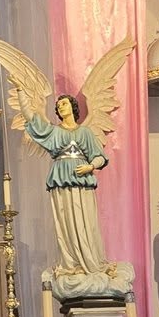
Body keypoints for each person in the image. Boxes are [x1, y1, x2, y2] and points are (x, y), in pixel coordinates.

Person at [26, 94, 110, 277]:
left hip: (82, 181)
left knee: (85, 221)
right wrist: (20, 93)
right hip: (61, 180)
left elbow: (99, 156)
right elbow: (33, 122)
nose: (61, 106)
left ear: (73, 107)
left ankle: (91, 261)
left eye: (64, 103)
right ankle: (71, 264)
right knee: (65, 223)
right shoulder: (54, 132)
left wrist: (90, 166)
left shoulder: (85, 132)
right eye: (58, 105)